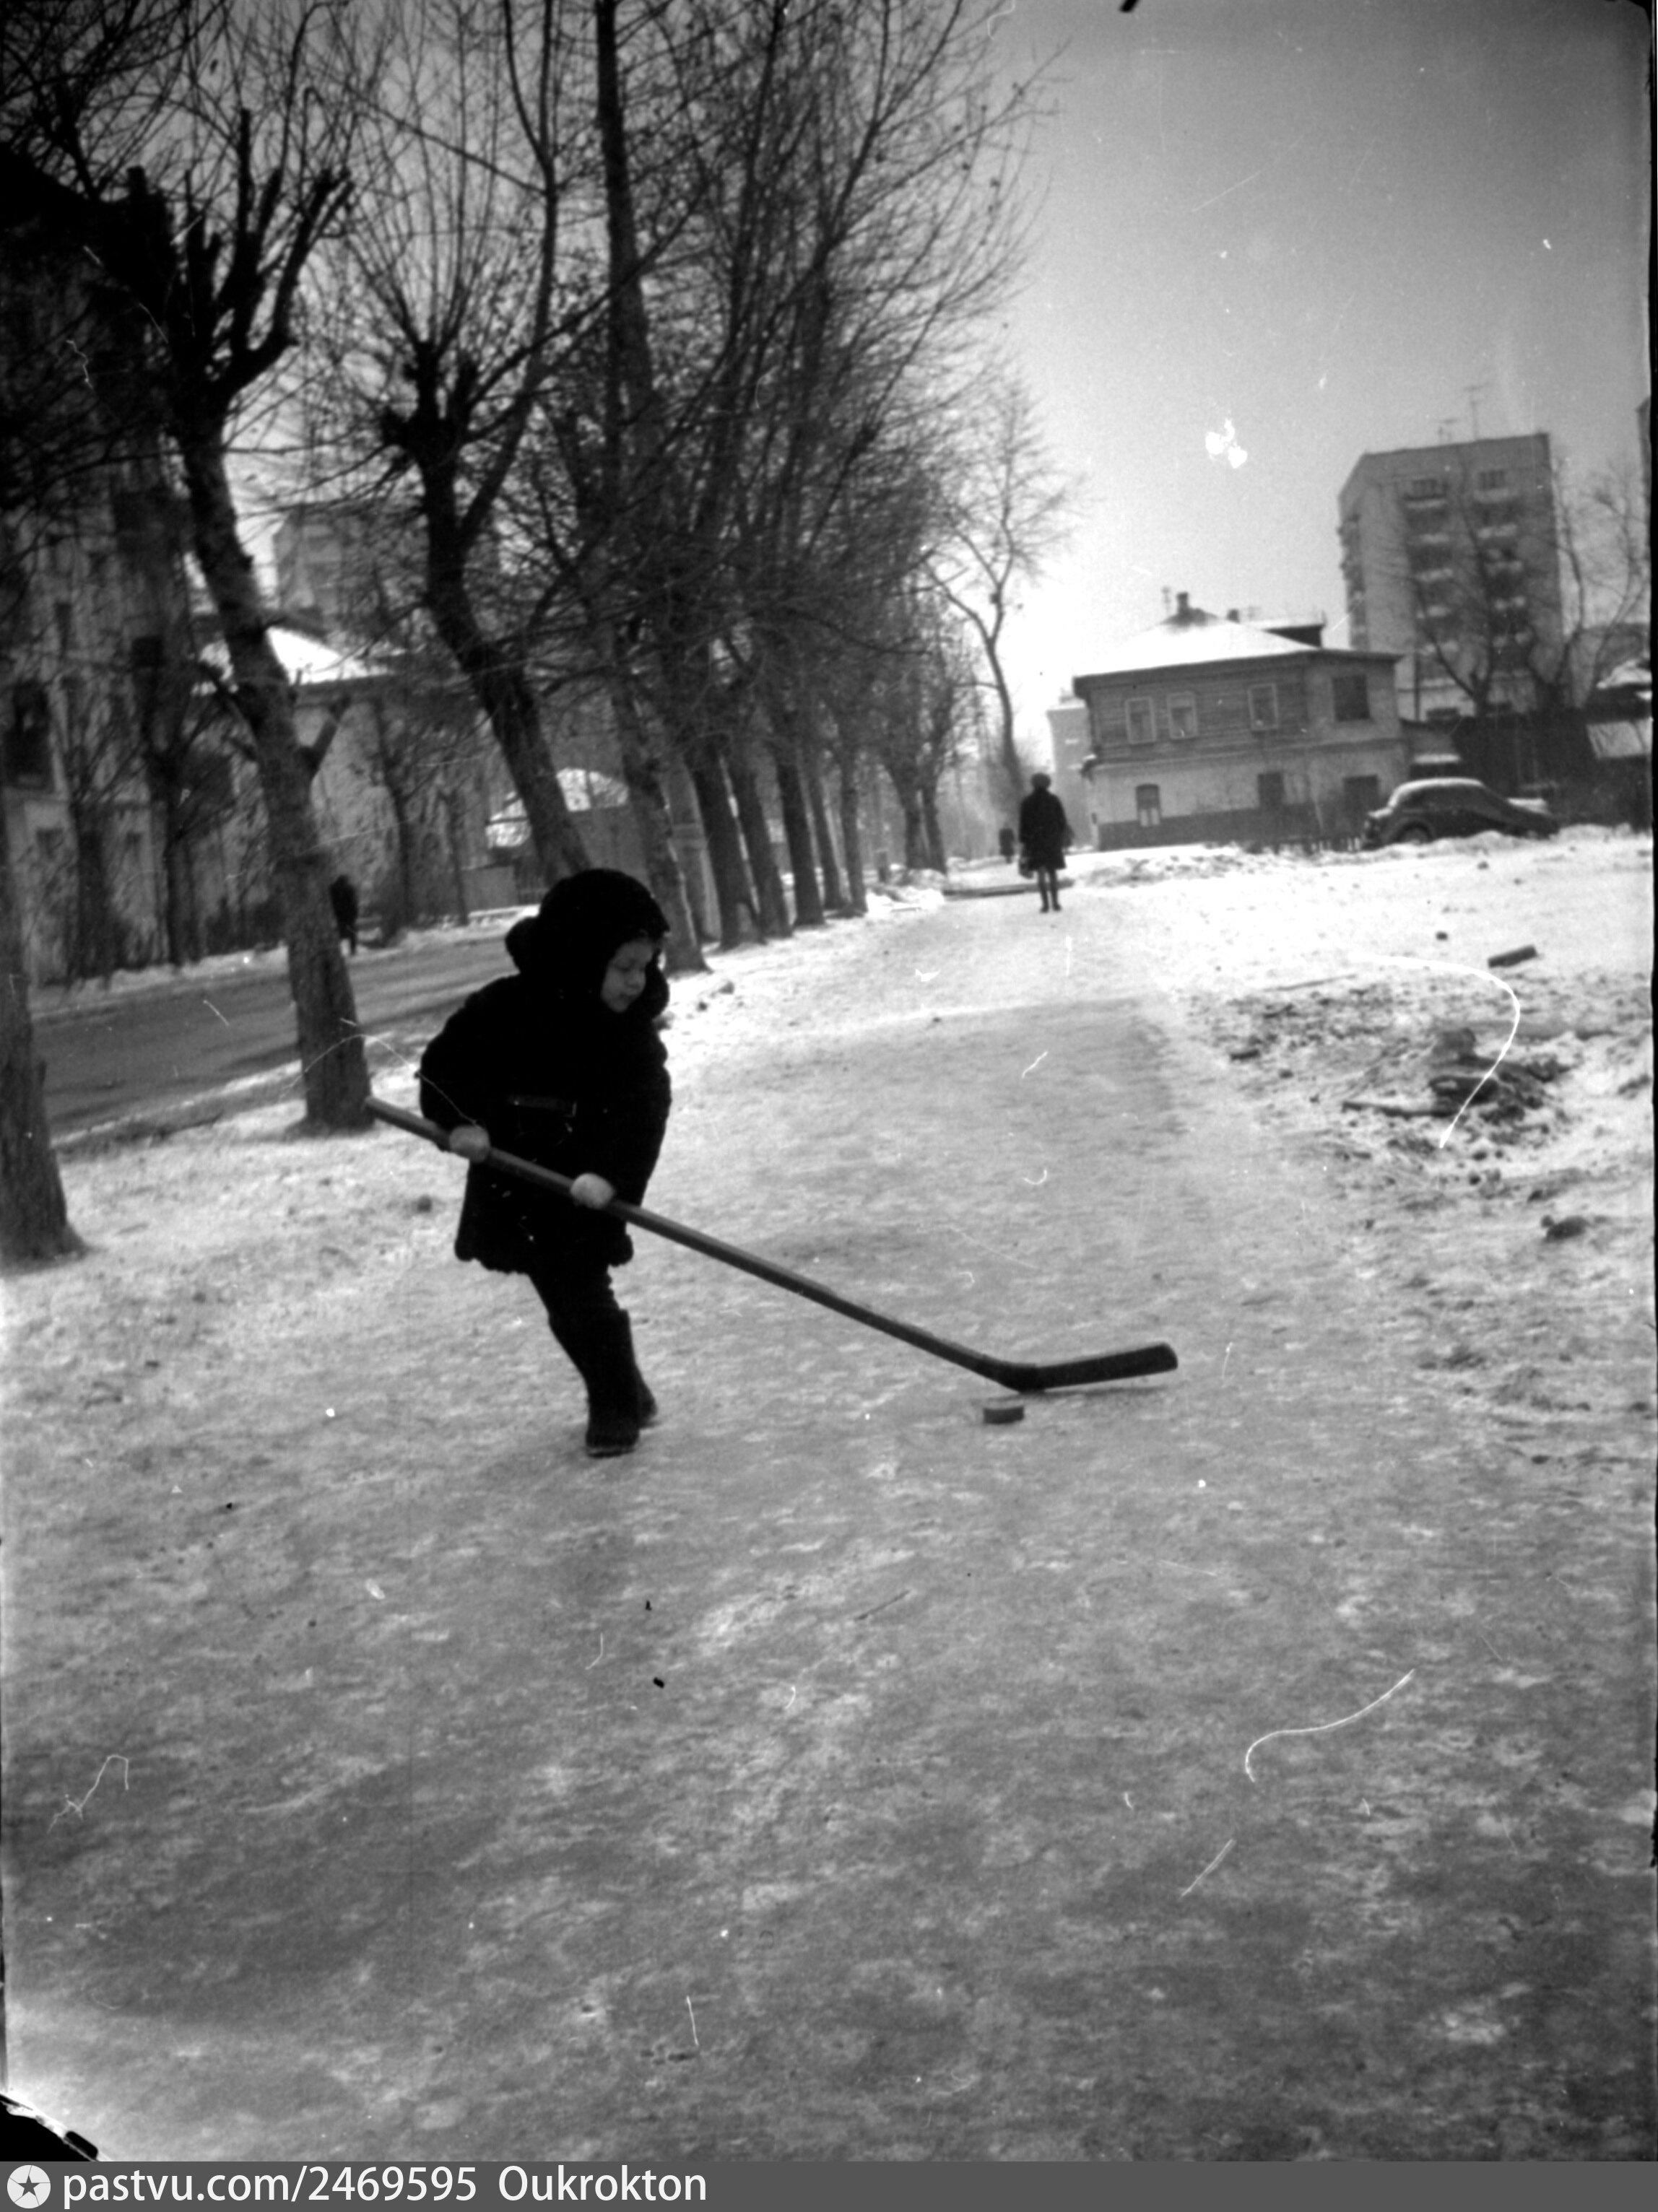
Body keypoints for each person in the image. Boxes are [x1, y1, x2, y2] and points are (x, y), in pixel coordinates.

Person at [417, 868, 673, 1460]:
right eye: (625, 967)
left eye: (645, 966)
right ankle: (628, 1391)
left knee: (582, 1297)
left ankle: (616, 1406)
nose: (637, 982)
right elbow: (444, 1067)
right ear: (581, 955)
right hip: (515, 1184)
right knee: (564, 1302)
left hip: (581, 1191)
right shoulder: (504, 1007)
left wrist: (612, 1177)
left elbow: (644, 1113)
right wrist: (460, 1122)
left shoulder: (628, 1036)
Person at [1017, 771, 1072, 913]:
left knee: (1040, 872)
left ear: (1033, 784)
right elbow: (1062, 821)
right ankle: (1056, 903)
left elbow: (1024, 824)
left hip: (1035, 843)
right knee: (1052, 872)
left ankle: (1045, 905)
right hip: (1052, 841)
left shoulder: (1027, 802)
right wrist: (1060, 836)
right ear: (1048, 784)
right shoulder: (1053, 800)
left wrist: (1025, 841)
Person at [329, 873, 360, 954]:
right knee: (352, 931)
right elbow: (354, 902)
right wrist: (356, 913)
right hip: (349, 914)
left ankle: (337, 950)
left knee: (339, 932)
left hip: (338, 913)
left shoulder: (332, 889)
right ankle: (353, 949)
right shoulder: (350, 888)